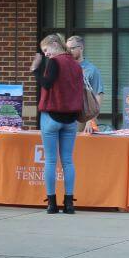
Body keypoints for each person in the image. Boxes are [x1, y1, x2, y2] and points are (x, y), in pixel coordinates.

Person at [32, 34, 82, 214]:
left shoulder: (55, 62)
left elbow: (46, 84)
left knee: (51, 161)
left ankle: (51, 203)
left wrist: (36, 69)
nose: (45, 54)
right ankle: (69, 203)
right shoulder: (76, 65)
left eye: (46, 50)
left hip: (52, 116)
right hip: (71, 119)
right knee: (68, 161)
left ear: (54, 44)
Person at [66, 35, 102, 134]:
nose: (69, 51)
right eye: (67, 49)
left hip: (82, 118)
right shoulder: (64, 68)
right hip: (64, 117)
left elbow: (98, 95)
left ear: (81, 48)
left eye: (72, 48)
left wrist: (91, 120)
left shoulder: (91, 70)